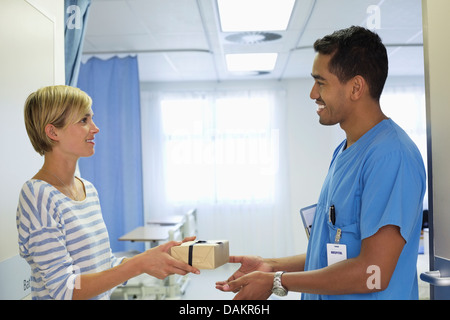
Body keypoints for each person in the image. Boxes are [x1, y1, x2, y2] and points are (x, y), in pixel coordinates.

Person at [216, 26, 426, 300]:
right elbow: (334, 252)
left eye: (321, 82)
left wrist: (277, 281)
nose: (313, 93)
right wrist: (273, 266)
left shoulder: (391, 157)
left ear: (355, 87)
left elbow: (373, 272)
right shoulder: (344, 151)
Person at [16, 85, 200, 300]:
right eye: (84, 120)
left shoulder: (88, 190)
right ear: (53, 132)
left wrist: (152, 258)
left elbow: (104, 265)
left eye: (91, 119)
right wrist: (139, 264)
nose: (95, 128)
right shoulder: (38, 195)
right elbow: (63, 289)